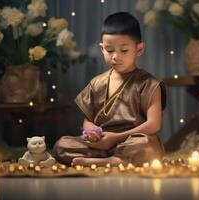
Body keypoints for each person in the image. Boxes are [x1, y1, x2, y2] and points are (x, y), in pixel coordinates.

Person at [53, 12, 166, 167]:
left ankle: (108, 161)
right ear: (102, 49)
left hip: (132, 141)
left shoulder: (149, 84)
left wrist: (116, 138)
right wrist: (92, 133)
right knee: (62, 145)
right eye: (109, 50)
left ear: (139, 49)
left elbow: (154, 125)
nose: (115, 56)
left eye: (124, 50)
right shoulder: (97, 83)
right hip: (102, 142)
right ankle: (109, 159)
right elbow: (88, 120)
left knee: (147, 146)